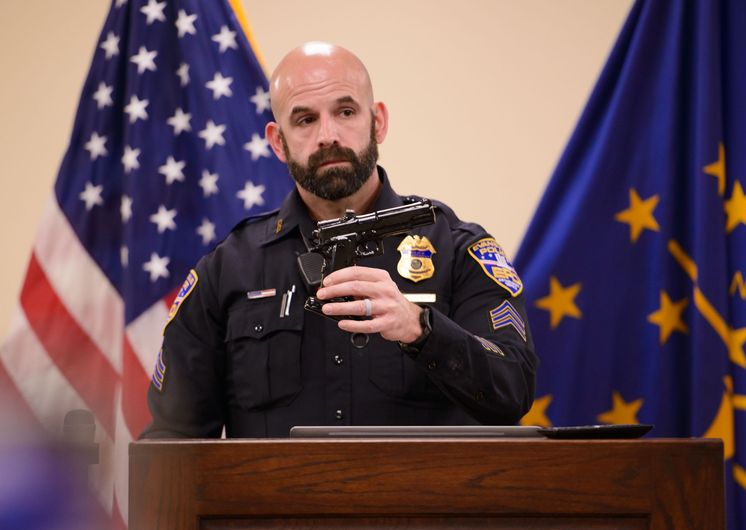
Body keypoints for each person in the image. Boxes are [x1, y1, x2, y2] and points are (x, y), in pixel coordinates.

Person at [141, 42, 537, 438]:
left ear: (377, 121)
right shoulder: (229, 267)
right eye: (305, 120)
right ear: (278, 141)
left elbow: (513, 387)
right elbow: (172, 440)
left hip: (420, 500)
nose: (328, 135)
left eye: (345, 112)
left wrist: (422, 330)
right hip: (273, 501)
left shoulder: (458, 248)